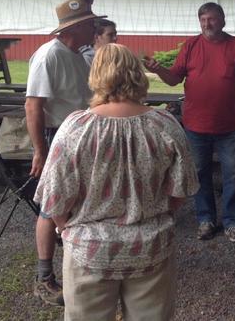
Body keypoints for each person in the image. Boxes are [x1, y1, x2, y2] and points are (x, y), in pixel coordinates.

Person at [34, 44, 199, 321]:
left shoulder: (75, 128)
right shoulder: (164, 124)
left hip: (89, 251)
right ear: (137, 74)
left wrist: (66, 229)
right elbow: (181, 191)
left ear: (96, 75)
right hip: (151, 248)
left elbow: (54, 200)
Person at [143, 2, 235, 243]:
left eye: (212, 19)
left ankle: (232, 221)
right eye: (203, 20)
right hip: (196, 126)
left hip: (230, 126)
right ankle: (205, 219)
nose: (207, 24)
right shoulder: (191, 45)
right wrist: (159, 69)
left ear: (223, 21)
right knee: (199, 174)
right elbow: (174, 79)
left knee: (234, 175)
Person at [25, 0, 105, 306]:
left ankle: (79, 267)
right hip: (57, 136)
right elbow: (33, 106)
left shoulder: (77, 55)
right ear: (74, 28)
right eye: (90, 24)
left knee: (78, 201)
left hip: (78, 136)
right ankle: (44, 278)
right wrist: (40, 150)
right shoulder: (49, 56)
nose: (94, 28)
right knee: (52, 204)